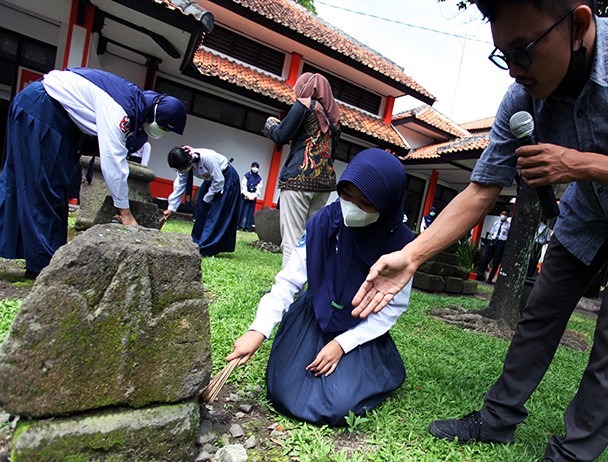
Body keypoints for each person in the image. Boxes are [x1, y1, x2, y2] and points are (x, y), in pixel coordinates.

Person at [350, 1, 608, 460]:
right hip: (586, 212)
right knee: (539, 315)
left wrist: (578, 163)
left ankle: (573, 453)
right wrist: (411, 256)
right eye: (503, 56)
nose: (514, 71)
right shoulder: (523, 100)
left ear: (579, 24)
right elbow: (481, 189)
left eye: (522, 51)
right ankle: (496, 421)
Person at [226, 148, 415, 426]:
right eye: (347, 195)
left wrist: (342, 344)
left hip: (359, 324)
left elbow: (390, 309)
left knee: (337, 405)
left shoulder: (401, 245)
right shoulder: (326, 220)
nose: (352, 207)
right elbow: (289, 280)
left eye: (366, 203)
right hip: (315, 312)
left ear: (387, 204)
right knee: (283, 390)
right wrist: (259, 329)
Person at [0, 67, 186, 278]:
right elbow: (113, 164)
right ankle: (43, 267)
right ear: (157, 116)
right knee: (44, 188)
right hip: (44, 110)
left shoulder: (134, 101)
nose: (163, 133)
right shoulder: (122, 109)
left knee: (34, 185)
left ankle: (41, 258)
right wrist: (126, 214)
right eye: (166, 128)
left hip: (49, 113)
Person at [262, 72, 341, 268]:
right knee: (311, 239)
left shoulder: (304, 105)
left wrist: (271, 125)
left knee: (292, 238)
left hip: (298, 179)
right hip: (323, 184)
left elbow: (281, 135)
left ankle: (286, 293)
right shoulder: (335, 117)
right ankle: (306, 287)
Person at [162, 146, 241, 257]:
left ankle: (207, 247)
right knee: (201, 210)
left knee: (216, 213)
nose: (180, 171)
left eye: (182, 168)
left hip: (225, 178)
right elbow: (180, 184)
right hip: (211, 181)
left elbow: (219, 181)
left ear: (189, 161)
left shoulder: (207, 158)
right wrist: (171, 208)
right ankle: (196, 242)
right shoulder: (184, 164)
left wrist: (208, 197)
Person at [475, 209, 511, 283]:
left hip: (501, 242)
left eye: (505, 215)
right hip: (494, 240)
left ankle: (490, 278)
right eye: (502, 214)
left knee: (496, 261)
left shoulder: (508, 226)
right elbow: (492, 232)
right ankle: (480, 275)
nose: (503, 216)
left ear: (507, 216)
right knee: (485, 258)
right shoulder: (496, 223)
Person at [239, 161, 263, 232]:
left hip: (253, 197)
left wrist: (253, 196)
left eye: (256, 167)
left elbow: (259, 188)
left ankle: (247, 227)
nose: (254, 168)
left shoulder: (259, 178)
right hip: (245, 196)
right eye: (253, 167)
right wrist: (246, 194)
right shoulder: (247, 175)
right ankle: (240, 225)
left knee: (250, 212)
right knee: (242, 210)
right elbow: (243, 185)